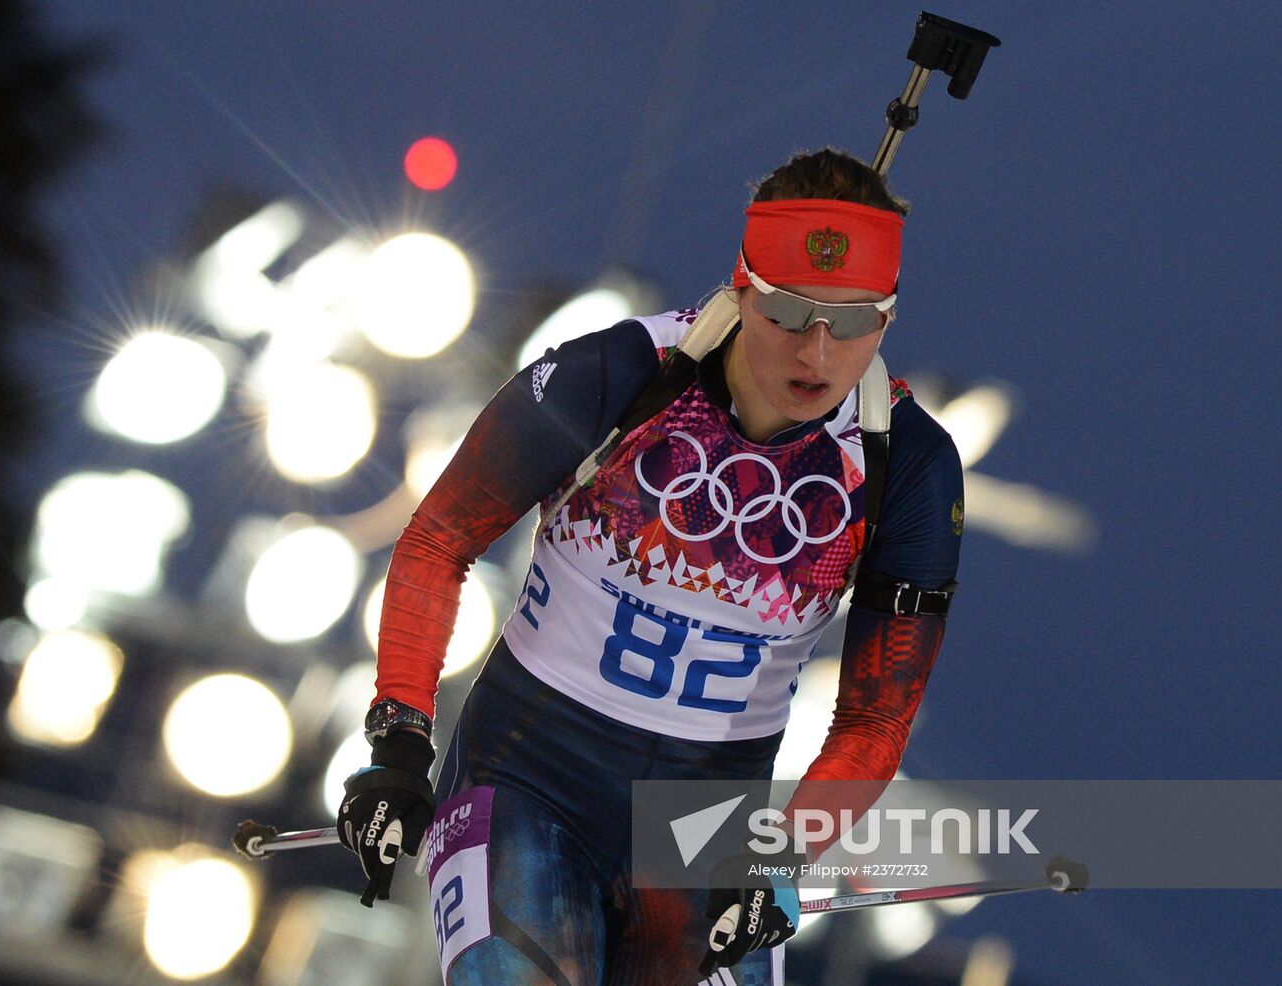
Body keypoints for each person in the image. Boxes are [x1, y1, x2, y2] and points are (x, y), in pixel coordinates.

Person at [337, 147, 964, 986]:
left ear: (887, 320)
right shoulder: (619, 373)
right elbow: (438, 541)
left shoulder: (910, 464)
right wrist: (400, 738)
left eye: (851, 322)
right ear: (740, 290)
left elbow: (873, 723)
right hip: (529, 779)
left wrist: (787, 856)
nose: (817, 353)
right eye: (788, 313)